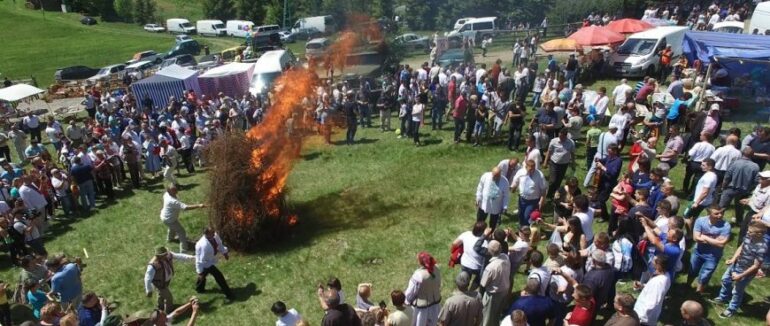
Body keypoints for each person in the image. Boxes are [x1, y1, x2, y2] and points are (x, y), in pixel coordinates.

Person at [712, 221, 767, 318]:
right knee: (725, 279)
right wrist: (733, 259)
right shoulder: (749, 237)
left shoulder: (762, 247)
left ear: (759, 234)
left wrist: (740, 276)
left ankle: (731, 309)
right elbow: (741, 247)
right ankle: (723, 297)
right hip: (736, 265)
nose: (747, 233)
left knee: (737, 291)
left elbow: (756, 266)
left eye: (750, 232)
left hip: (745, 272)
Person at [689, 206, 730, 293]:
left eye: (722, 213)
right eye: (716, 213)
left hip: (713, 255)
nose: (720, 215)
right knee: (692, 270)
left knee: (705, 275)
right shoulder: (700, 221)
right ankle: (687, 286)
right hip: (698, 251)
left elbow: (721, 244)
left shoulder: (726, 225)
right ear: (709, 213)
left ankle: (698, 292)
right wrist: (715, 241)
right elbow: (696, 238)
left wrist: (704, 237)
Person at [145, 246, 194, 313]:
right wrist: (149, 290)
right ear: (158, 256)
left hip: (166, 282)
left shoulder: (167, 255)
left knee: (161, 295)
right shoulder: (152, 265)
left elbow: (178, 256)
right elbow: (147, 279)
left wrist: (191, 257)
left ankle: (160, 307)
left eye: (166, 253)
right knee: (169, 297)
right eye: (164, 255)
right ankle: (169, 312)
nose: (166, 255)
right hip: (160, 284)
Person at [720, 147, 760, 226]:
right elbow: (756, 181)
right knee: (740, 208)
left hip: (730, 189)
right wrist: (749, 189)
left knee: (722, 206)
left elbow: (727, 176)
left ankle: (717, 220)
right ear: (752, 155)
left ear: (742, 153)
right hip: (744, 191)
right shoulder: (755, 166)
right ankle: (739, 222)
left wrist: (723, 186)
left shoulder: (735, 163)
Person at [160, 185, 206, 252]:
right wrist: (198, 205)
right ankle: (184, 249)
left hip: (166, 217)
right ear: (170, 192)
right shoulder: (172, 201)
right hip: (169, 219)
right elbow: (185, 207)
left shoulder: (166, 194)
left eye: (175, 188)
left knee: (172, 227)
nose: (176, 190)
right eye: (174, 190)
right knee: (181, 232)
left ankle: (170, 239)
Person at [195, 227, 234, 300]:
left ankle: (199, 288)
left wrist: (225, 253)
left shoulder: (215, 236)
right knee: (219, 276)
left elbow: (219, 245)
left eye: (213, 232)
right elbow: (199, 259)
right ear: (206, 234)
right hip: (205, 263)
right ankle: (228, 293)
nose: (214, 233)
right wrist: (199, 271)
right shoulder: (203, 245)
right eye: (212, 232)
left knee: (203, 275)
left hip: (209, 261)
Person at [404, 251, 441, 326]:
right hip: (435, 305)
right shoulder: (436, 269)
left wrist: (406, 300)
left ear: (421, 262)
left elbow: (411, 291)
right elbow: (438, 284)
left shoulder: (418, 274)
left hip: (422, 309)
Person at [633, 255, 671, 326]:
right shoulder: (666, 275)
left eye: (653, 261)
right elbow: (652, 289)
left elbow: (653, 303)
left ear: (658, 265)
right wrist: (642, 285)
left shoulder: (658, 283)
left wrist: (641, 318)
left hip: (644, 318)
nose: (652, 262)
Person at [480, 240, 510, 326]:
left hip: (493, 295)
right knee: (498, 312)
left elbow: (483, 283)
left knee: (487, 316)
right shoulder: (505, 257)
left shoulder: (490, 267)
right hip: (505, 290)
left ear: (489, 251)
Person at [685, 159, 718, 234]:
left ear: (710, 167)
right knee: (694, 217)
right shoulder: (712, 175)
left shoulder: (709, 177)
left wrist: (696, 202)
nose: (701, 166)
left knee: (686, 216)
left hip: (699, 201)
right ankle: (694, 231)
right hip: (704, 201)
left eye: (703, 165)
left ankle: (689, 234)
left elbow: (705, 192)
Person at [510, 160, 547, 226]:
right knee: (521, 214)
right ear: (526, 167)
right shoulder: (521, 172)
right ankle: (521, 228)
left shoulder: (539, 175)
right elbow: (516, 180)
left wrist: (542, 200)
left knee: (526, 216)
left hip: (533, 201)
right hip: (522, 199)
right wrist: (513, 187)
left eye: (533, 169)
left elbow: (543, 189)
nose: (531, 171)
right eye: (530, 170)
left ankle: (526, 230)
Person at [451, 221, 486, 288]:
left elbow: (454, 243)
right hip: (477, 267)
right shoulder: (485, 242)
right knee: (479, 278)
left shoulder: (466, 234)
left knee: (463, 279)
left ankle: (462, 288)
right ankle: (472, 289)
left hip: (465, 263)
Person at [544, 129, 576, 198]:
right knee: (553, 180)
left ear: (566, 136)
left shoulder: (571, 143)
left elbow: (572, 153)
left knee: (558, 181)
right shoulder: (554, 141)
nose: (560, 138)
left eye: (562, 137)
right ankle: (548, 194)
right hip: (554, 163)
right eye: (559, 136)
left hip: (564, 164)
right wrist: (545, 162)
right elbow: (549, 151)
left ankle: (555, 194)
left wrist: (573, 163)